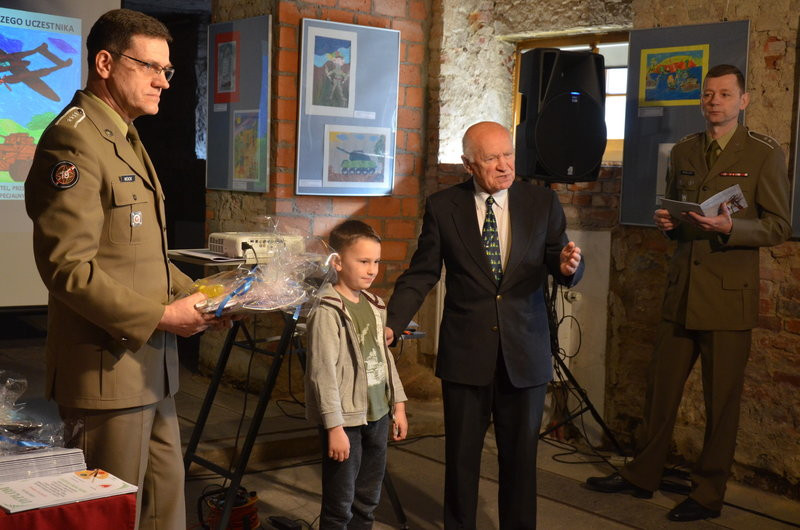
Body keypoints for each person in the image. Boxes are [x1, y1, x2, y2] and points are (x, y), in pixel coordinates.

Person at [24, 9, 225, 529]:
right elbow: (66, 268)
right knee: (110, 518)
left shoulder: (125, 135)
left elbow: (139, 257)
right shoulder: (75, 140)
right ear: (106, 63)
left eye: (168, 70)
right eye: (151, 67)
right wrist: (162, 317)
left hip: (149, 372)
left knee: (163, 513)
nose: (163, 80)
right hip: (106, 373)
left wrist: (212, 293)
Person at [586, 64, 792, 522]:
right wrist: (668, 224)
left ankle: (707, 493)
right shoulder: (684, 151)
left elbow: (779, 226)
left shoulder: (763, 153)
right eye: (708, 94)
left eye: (724, 94)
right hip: (681, 291)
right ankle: (643, 475)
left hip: (726, 298)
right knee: (660, 391)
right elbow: (676, 217)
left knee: (722, 404)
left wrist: (730, 227)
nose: (714, 101)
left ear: (744, 101)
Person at [386, 121, 584, 529]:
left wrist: (566, 268)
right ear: (468, 165)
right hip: (467, 353)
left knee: (521, 461)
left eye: (508, 154)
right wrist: (391, 324)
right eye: (491, 158)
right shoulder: (444, 207)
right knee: (461, 460)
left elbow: (557, 257)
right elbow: (422, 273)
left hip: (524, 351)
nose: (504, 165)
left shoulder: (541, 203)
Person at [304, 220, 409, 529]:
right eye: (363, 261)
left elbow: (384, 359)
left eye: (376, 261)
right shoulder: (328, 310)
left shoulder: (375, 305)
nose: (372, 269)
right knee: (340, 504)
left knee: (367, 499)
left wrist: (398, 406)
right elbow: (322, 373)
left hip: (377, 416)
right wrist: (334, 426)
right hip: (345, 421)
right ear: (337, 262)